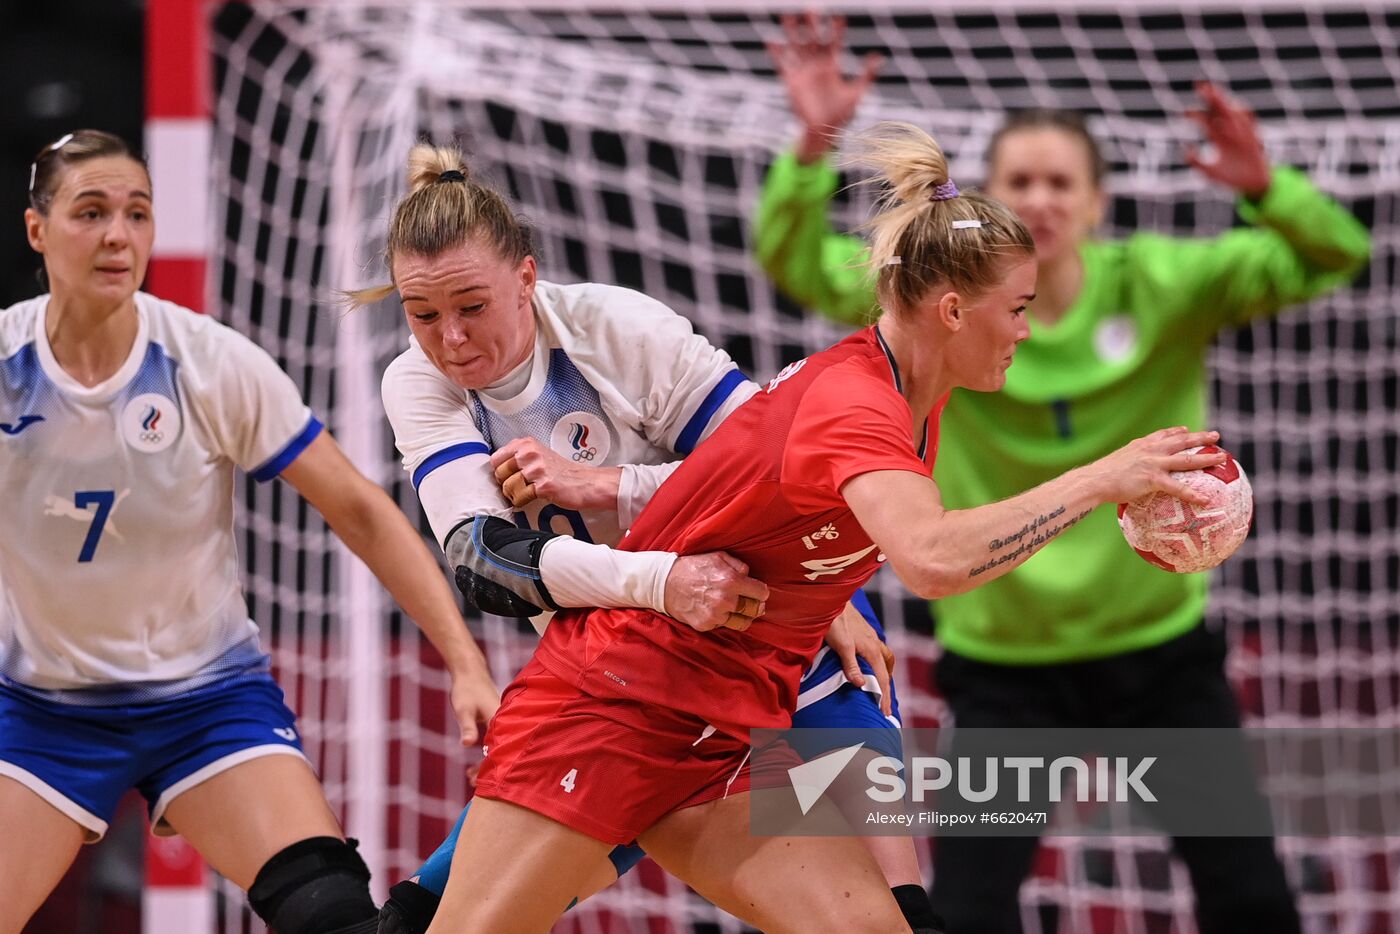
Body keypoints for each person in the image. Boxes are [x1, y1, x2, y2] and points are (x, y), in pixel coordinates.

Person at [401, 118, 1228, 934]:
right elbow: (933, 561)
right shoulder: (858, 407)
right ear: (949, 310)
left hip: (735, 716)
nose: (1024, 330)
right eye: (1016, 308)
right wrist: (1100, 479)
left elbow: (737, 488)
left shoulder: (911, 397)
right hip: (616, 702)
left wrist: (817, 595)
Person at [756, 13, 1371, 933]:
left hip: (1159, 651)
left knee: (1250, 898)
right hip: (1010, 668)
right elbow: (791, 256)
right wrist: (811, 143)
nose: (1040, 198)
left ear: (1094, 202)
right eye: (1019, 182)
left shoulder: (1166, 283)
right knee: (968, 909)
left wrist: (1267, 188)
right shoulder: (945, 308)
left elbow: (1337, 253)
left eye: (1060, 182)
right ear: (988, 206)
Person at [353, 144, 932, 933]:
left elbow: (783, 477)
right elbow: (483, 565)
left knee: (900, 915)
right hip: (618, 693)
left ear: (527, 278)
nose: (450, 339)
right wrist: (660, 580)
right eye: (423, 316)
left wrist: (606, 486)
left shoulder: (616, 329)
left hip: (772, 647)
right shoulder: (416, 384)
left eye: (471, 306)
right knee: (415, 921)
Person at [0, 129, 501, 934]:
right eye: (90, 213)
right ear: (38, 230)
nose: (118, 235)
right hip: (43, 709)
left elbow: (362, 510)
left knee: (337, 920)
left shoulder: (209, 362)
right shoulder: (6, 362)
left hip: (206, 701)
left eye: (137, 213)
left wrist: (465, 660)